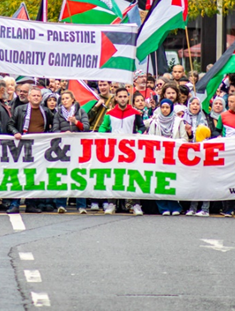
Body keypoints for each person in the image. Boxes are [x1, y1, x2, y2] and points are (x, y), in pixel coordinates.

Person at [98, 87, 145, 215]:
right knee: (115, 175)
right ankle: (112, 203)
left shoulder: (135, 113)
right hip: (114, 150)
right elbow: (103, 128)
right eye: (121, 96)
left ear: (128, 97)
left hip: (131, 150)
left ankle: (136, 204)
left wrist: (137, 135)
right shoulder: (109, 113)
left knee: (133, 175)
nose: (123, 99)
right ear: (116, 98)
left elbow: (141, 126)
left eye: (125, 96)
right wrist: (105, 136)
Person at [7, 87, 53, 213]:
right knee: (19, 174)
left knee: (34, 175)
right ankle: (14, 203)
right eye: (34, 95)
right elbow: (10, 125)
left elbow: (51, 126)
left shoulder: (46, 111)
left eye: (38, 96)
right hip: (22, 147)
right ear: (29, 97)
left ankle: (31, 204)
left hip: (39, 149)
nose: (36, 97)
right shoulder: (19, 110)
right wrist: (16, 132)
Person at [147, 99, 187, 216]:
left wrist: (172, 143)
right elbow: (150, 139)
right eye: (162, 107)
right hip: (159, 156)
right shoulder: (154, 122)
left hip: (173, 156)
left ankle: (175, 206)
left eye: (167, 107)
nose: (165, 110)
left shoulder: (179, 122)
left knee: (173, 181)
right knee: (160, 181)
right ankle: (163, 207)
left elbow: (184, 138)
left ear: (171, 108)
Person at [52, 90, 89, 213]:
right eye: (63, 99)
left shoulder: (80, 111)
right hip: (63, 148)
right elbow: (55, 130)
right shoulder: (58, 114)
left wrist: (75, 122)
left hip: (78, 147)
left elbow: (86, 127)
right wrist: (64, 133)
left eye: (67, 98)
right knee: (63, 175)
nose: (65, 100)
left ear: (73, 99)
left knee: (79, 175)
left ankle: (81, 205)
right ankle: (61, 204)